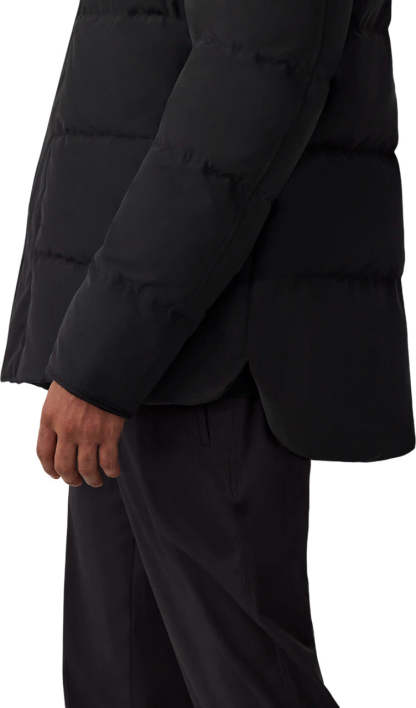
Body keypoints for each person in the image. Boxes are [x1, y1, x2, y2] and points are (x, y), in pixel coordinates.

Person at [2, 0, 414, 706]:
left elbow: (238, 110)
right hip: (147, 354)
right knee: (123, 684)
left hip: (204, 351)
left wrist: (103, 355)